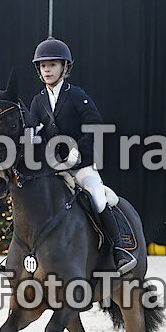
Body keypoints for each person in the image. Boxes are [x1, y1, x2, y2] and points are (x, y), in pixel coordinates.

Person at [29, 37, 137, 275]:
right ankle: (19, 256)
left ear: (65, 67)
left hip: (79, 166)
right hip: (51, 169)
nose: (47, 69)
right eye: (43, 65)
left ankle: (119, 250)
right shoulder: (37, 101)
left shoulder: (76, 95)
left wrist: (77, 150)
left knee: (97, 196)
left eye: (53, 64)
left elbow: (95, 125)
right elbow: (34, 132)